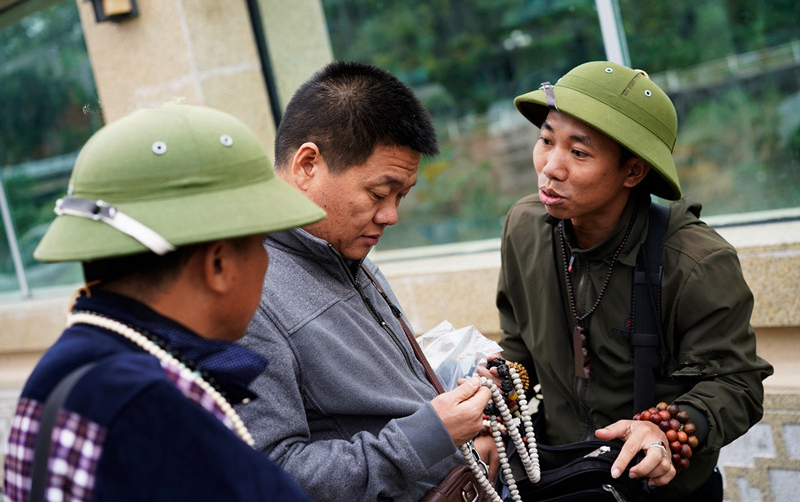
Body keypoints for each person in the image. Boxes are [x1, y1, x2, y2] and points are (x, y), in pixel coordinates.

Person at [2, 104, 327, 501]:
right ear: (219, 264)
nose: (266, 261)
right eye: (261, 243)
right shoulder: (154, 406)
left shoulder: (67, 368)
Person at [491, 61, 774, 500]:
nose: (550, 167)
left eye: (578, 153)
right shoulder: (525, 227)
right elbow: (519, 346)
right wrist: (493, 401)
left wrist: (665, 427)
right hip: (559, 479)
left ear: (633, 172)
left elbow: (737, 385)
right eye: (546, 140)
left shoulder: (696, 261)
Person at [236, 61, 493, 502]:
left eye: (401, 197)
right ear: (307, 164)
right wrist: (430, 436)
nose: (390, 215)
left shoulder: (349, 253)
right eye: (378, 193)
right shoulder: (246, 296)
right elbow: (274, 474)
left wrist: (463, 412)